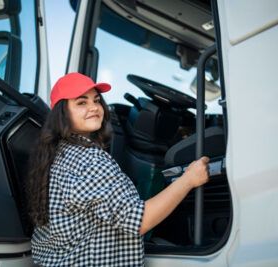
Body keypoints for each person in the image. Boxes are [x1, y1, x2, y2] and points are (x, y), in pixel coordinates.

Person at [27, 72, 209, 266]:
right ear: (62, 113)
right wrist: (189, 179)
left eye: (96, 100)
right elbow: (140, 221)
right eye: (82, 103)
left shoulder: (55, 155)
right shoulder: (90, 160)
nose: (94, 108)